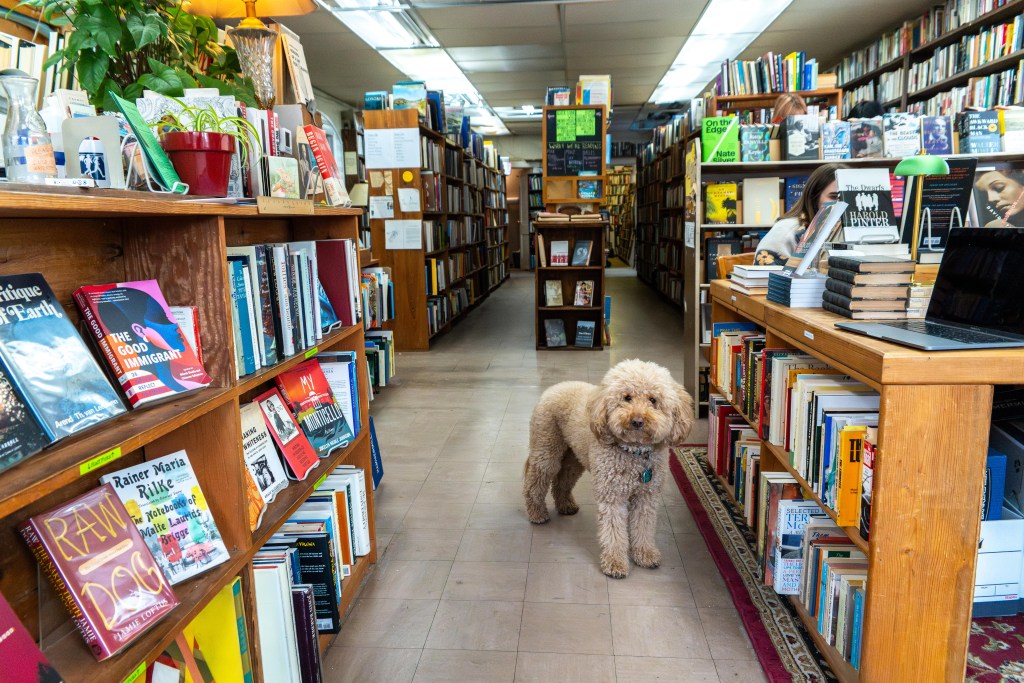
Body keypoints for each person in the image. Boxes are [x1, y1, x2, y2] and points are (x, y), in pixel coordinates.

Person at [753, 163, 843, 266]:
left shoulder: (851, 229)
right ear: (814, 197)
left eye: (848, 197)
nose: (842, 204)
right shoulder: (786, 231)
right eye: (834, 197)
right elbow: (767, 279)